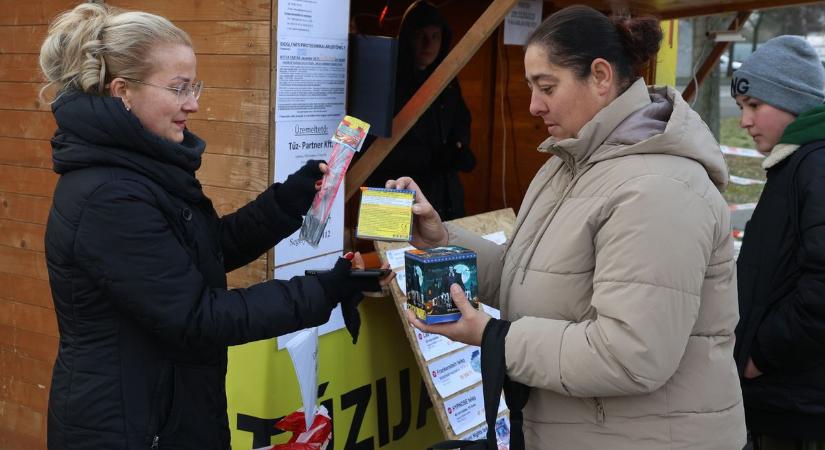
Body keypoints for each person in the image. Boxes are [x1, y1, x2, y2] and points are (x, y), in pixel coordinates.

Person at [388, 5, 746, 449]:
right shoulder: (567, 166)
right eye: (531, 88)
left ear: (600, 77)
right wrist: (443, 239)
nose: (534, 106)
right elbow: (525, 279)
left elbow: (631, 355)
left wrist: (493, 336)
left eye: (547, 87)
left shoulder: (658, 188)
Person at [39, 4, 389, 448]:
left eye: (195, 86)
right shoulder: (109, 195)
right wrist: (320, 291)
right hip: (130, 427)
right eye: (179, 88)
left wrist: (287, 202)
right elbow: (196, 316)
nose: (195, 103)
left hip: (167, 411)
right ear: (122, 91)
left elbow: (207, 249)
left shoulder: (144, 166)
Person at [730, 36, 825, 450]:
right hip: (787, 397)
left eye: (754, 106)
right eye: (740, 109)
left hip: (799, 403)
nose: (745, 122)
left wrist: (761, 355)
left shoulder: (815, 165)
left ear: (794, 100)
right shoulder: (795, 164)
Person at [365, 0, 475, 220]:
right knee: (388, 252)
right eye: (421, 36)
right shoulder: (383, 80)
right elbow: (368, 148)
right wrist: (429, 158)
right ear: (407, 38)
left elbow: (462, 119)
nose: (429, 44)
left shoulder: (446, 80)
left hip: (442, 195)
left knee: (445, 248)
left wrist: (458, 148)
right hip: (392, 195)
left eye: (435, 36)